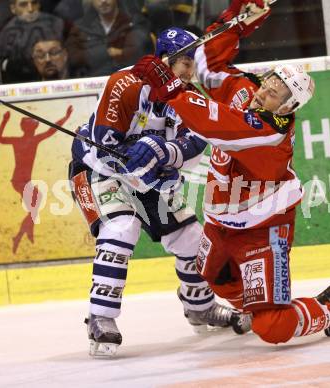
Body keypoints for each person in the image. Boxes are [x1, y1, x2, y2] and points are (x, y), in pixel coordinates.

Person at [129, 0, 330, 346]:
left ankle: (324, 307)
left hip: (263, 228)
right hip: (220, 222)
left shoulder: (271, 132)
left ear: (288, 108)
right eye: (269, 82)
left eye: (277, 93)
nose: (265, 92)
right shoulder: (245, 89)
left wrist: (172, 90)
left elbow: (221, 125)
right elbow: (208, 63)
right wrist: (239, 20)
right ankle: (256, 307)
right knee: (214, 275)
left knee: (272, 328)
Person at [69, 27, 249, 358]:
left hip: (146, 177)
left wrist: (160, 151)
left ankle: (200, 307)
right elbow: (104, 144)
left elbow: (196, 141)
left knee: (192, 238)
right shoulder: (123, 84)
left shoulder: (183, 94)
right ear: (165, 60)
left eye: (192, 64)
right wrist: (143, 157)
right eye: (184, 63)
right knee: (122, 227)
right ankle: (101, 316)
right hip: (96, 169)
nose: (190, 72)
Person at [0, 106, 73, 253]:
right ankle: (21, 234)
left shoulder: (26, 140)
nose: (35, 129)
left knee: (34, 208)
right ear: (30, 128)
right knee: (35, 206)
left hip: (24, 180)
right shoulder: (28, 140)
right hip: (20, 180)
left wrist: (5, 121)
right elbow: (51, 130)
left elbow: (51, 130)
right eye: (34, 126)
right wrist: (66, 117)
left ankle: (22, 234)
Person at [66, 0, 152, 77]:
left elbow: (139, 50)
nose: (103, 1)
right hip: (92, 81)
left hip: (130, 78)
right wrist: (107, 52)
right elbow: (73, 58)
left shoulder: (133, 21)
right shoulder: (80, 27)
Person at [0, 0, 65, 83]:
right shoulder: (5, 33)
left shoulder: (56, 24)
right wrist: (12, 66)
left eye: (34, 3)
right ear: (13, 8)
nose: (30, 9)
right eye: (23, 5)